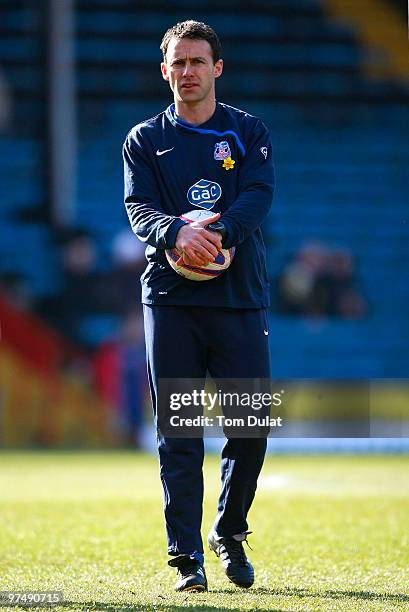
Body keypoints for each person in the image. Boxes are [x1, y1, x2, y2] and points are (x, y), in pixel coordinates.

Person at [122, 20, 274, 592]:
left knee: (249, 426)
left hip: (238, 300)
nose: (188, 72)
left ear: (217, 68)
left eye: (197, 62)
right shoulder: (143, 140)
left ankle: (230, 533)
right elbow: (139, 209)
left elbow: (258, 195)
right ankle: (187, 559)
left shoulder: (248, 132)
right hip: (172, 300)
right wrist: (176, 236)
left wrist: (220, 237)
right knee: (180, 432)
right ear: (165, 71)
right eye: (177, 63)